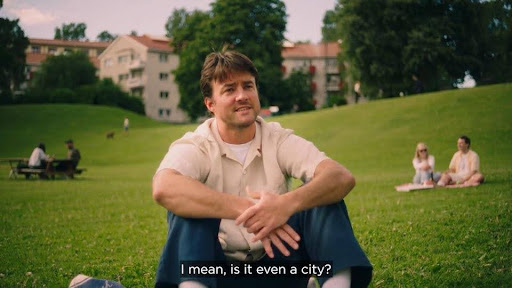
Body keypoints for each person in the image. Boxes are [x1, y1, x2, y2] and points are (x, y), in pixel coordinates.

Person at [152, 50, 372, 288]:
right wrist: (253, 211)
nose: (242, 96)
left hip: (279, 267)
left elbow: (340, 177)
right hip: (217, 274)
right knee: (189, 206)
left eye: (248, 86)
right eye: (229, 89)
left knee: (322, 193)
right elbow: (164, 187)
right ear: (210, 104)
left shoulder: (278, 139)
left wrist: (285, 205)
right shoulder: (198, 144)